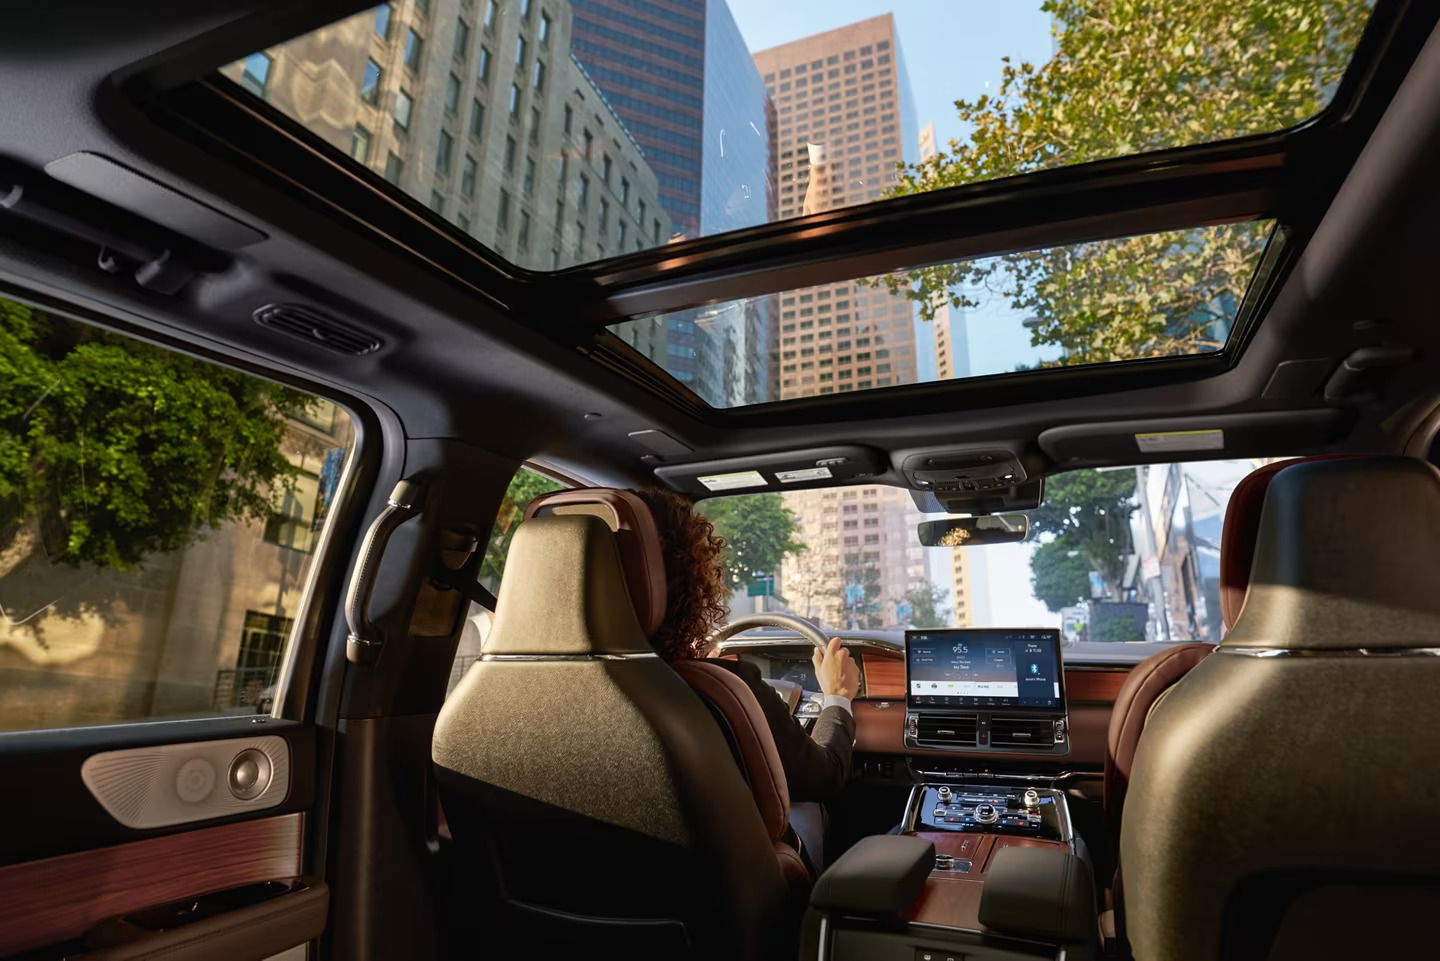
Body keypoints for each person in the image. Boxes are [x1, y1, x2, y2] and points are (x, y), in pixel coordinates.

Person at [630, 488, 857, 802]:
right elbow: (823, 778)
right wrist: (837, 697)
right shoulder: (718, 687)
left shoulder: (543, 688)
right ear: (691, 584)